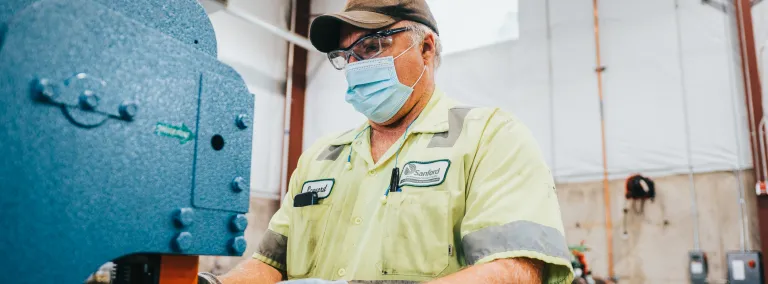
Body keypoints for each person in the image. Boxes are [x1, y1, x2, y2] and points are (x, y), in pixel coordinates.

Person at [199, 0, 573, 283]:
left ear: (426, 48)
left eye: (372, 47)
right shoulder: (320, 157)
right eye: (346, 56)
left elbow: (516, 267)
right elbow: (270, 262)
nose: (356, 66)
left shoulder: (490, 137)